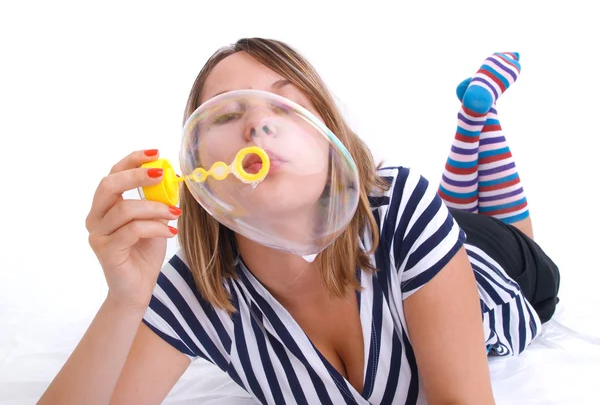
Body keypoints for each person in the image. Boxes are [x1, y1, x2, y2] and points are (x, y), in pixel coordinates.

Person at [39, 38, 560, 405]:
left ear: (329, 143)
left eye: (285, 106)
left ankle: (478, 118)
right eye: (224, 114)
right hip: (428, 237)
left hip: (502, 266)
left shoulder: (402, 203)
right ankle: (473, 126)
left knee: (506, 229)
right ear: (199, 169)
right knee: (458, 208)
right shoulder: (195, 289)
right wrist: (125, 300)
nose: (257, 122)